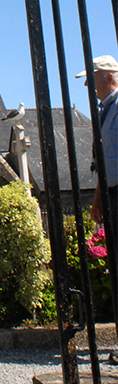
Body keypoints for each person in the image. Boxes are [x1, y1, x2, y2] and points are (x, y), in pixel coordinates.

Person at [76, 55, 118, 266]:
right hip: (111, 196)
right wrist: (98, 199)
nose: (86, 85)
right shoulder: (105, 111)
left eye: (91, 79)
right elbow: (106, 161)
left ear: (109, 77)